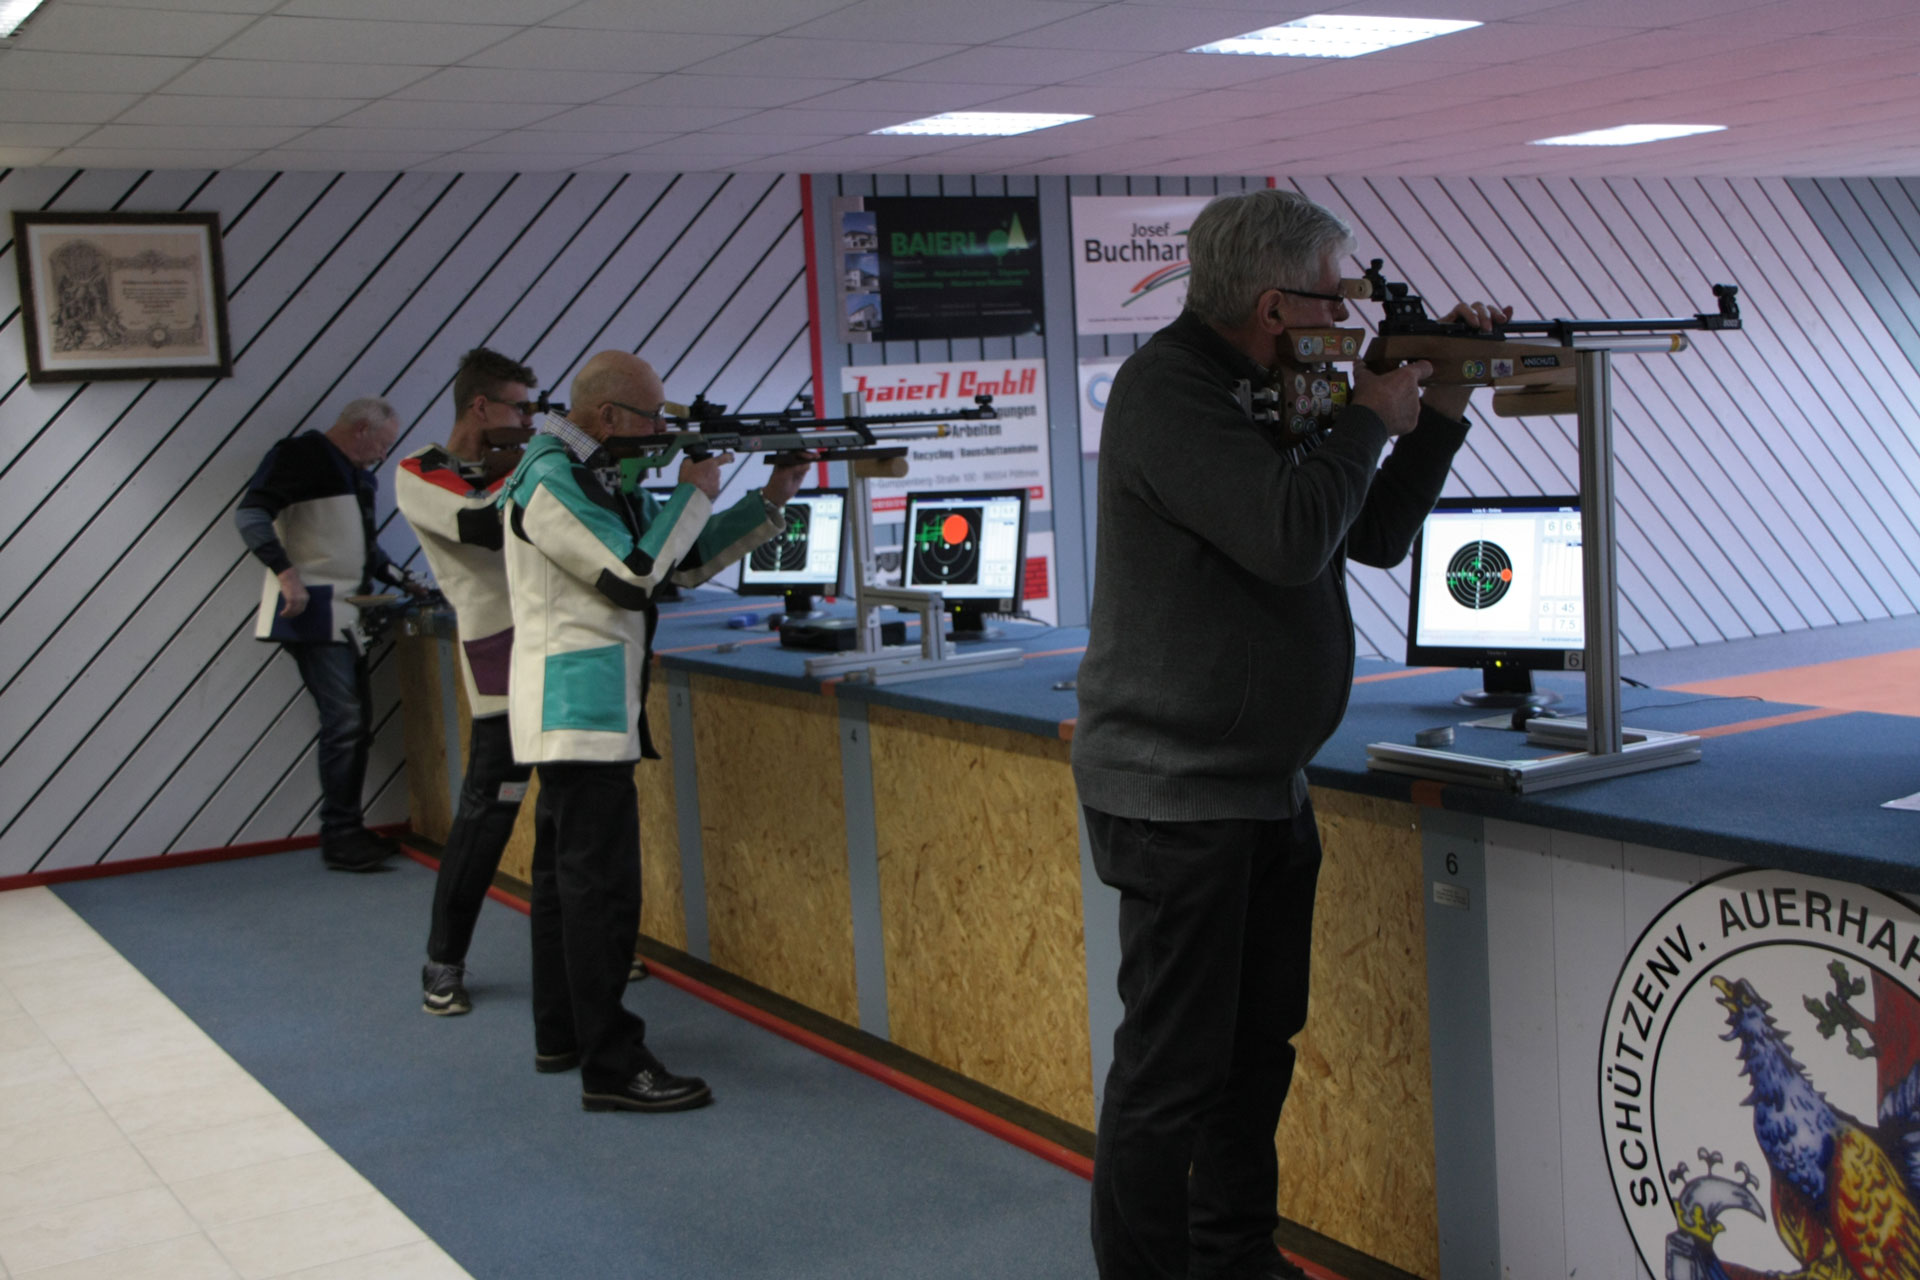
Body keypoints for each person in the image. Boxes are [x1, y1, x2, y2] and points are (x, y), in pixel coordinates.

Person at [1069, 188, 1509, 1280]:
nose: (1356, 317)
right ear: (1276, 304)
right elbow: (1284, 535)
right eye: (1341, 294)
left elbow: (1370, 533)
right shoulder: (1170, 389)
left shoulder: (1278, 381)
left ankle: (1234, 1256)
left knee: (1253, 1055)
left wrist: (1439, 405)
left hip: (1263, 785)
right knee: (1172, 1071)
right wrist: (1368, 414)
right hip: (1179, 793)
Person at [499, 349, 811, 1113]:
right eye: (650, 419)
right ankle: (613, 1066)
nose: (659, 434)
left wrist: (772, 493)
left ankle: (563, 1034)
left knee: (565, 887)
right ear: (606, 417)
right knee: (598, 892)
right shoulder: (550, 476)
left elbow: (678, 562)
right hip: (579, 712)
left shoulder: (591, 473)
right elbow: (633, 569)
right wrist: (695, 490)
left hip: (587, 708)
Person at [395, 347, 541, 1015]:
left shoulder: (512, 467)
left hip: (557, 651)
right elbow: (482, 520)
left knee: (574, 814)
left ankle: (583, 942)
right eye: (519, 408)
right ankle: (443, 961)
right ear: (479, 407)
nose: (528, 421)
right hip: (500, 664)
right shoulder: (420, 471)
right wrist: (550, 464)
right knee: (488, 816)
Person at [237, 398, 419, 873]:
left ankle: (347, 828)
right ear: (360, 429)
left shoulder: (361, 474)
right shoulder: (299, 455)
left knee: (355, 726)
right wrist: (286, 575)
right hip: (311, 608)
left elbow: (365, 548)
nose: (384, 454)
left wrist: (403, 578)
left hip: (347, 612)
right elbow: (251, 515)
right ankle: (339, 835)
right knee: (345, 722)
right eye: (383, 443)